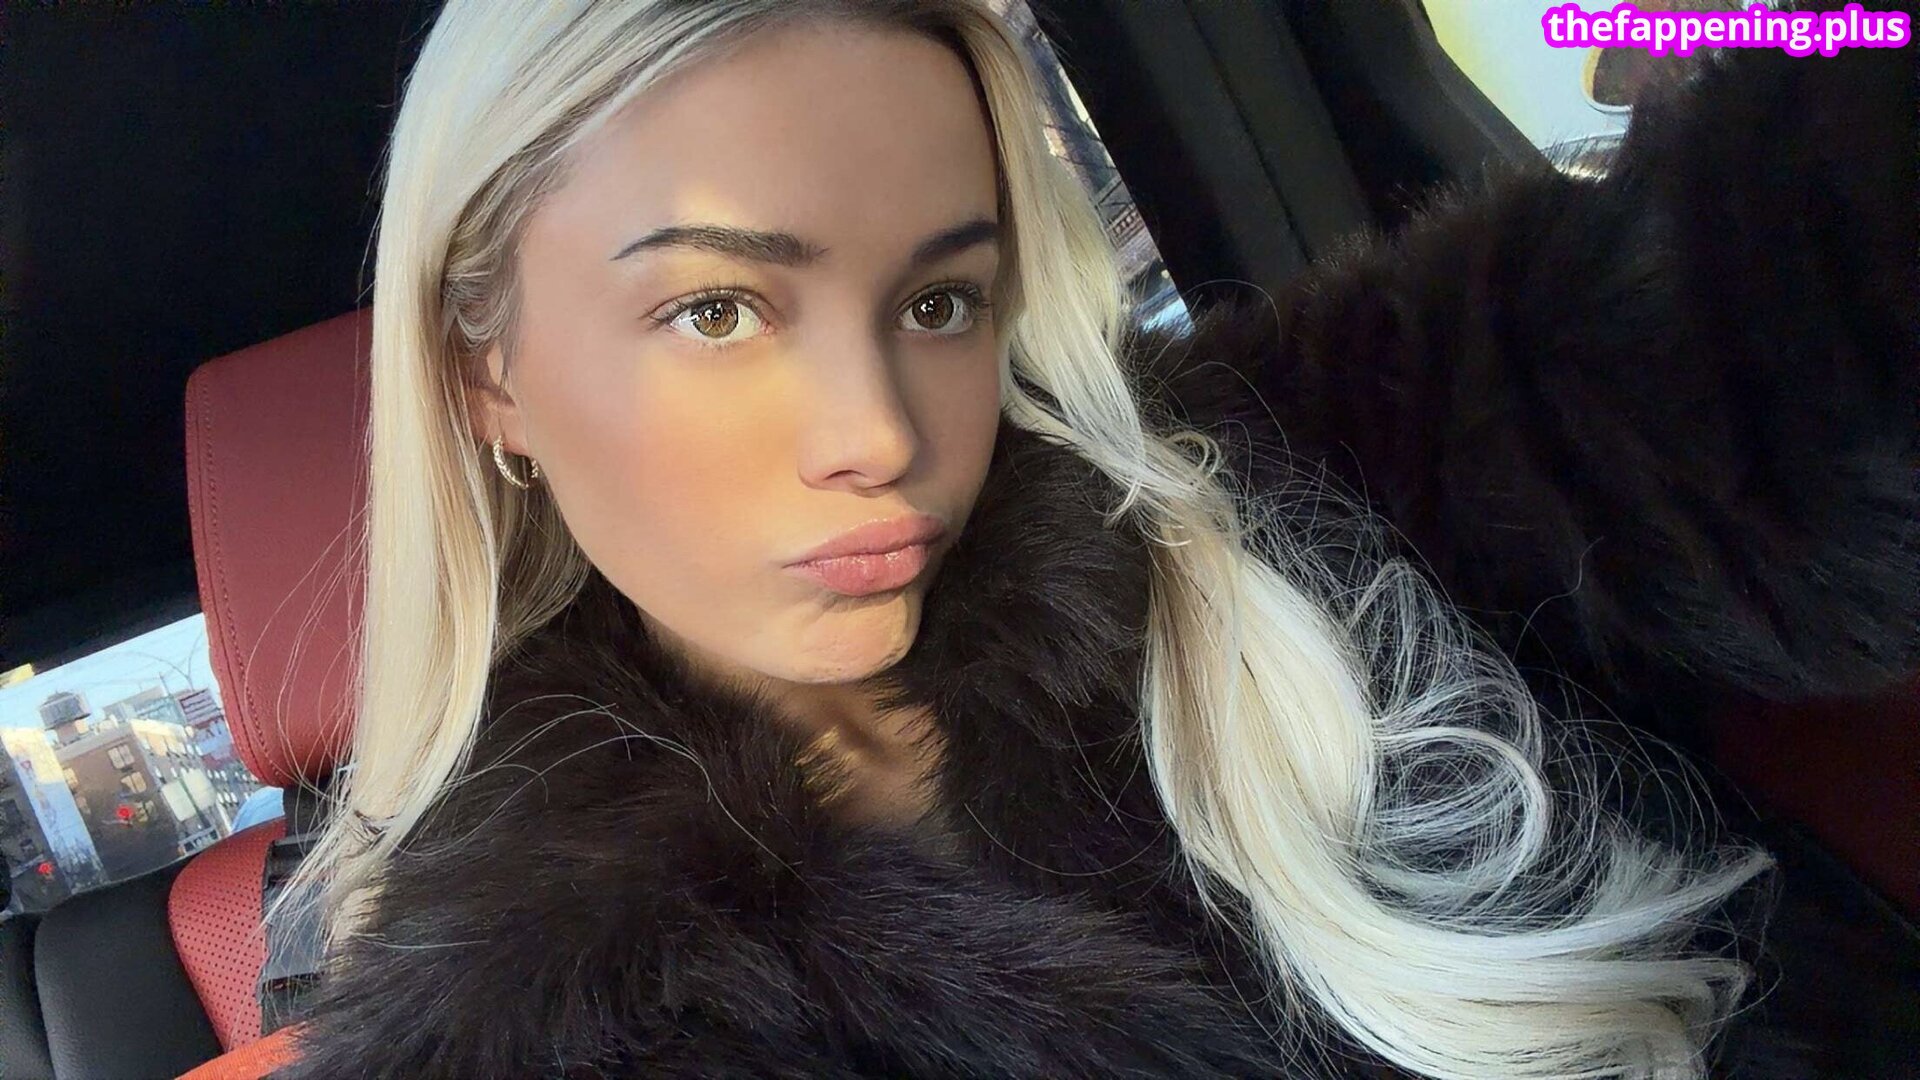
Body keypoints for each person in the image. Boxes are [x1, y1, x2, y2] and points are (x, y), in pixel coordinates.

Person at [266, 1, 1917, 1077]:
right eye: (718, 309)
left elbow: (1795, 324)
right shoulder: (515, 1027)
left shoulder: (1292, 476)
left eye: (940, 300)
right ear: (489, 377)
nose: (879, 434)